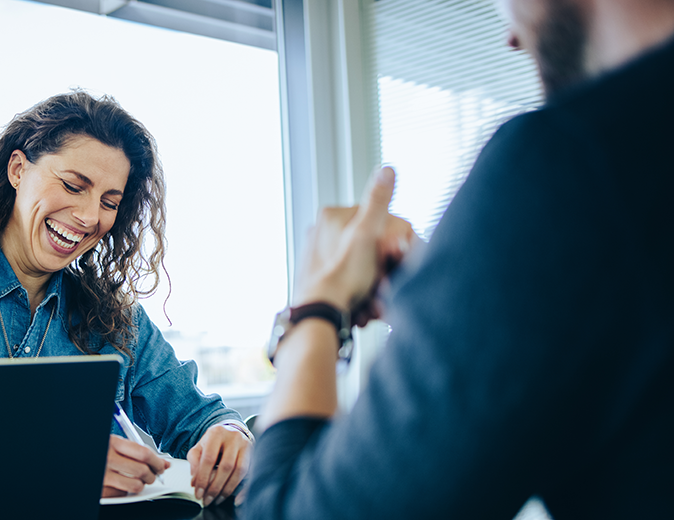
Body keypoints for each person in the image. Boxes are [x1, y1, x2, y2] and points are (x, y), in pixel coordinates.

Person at [243, 0, 674, 518]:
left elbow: (292, 511)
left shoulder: (567, 161)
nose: (509, 37)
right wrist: (461, 299)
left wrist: (314, 310)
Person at [0, 90, 252, 505]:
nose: (89, 217)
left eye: (109, 202)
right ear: (18, 169)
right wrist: (60, 462)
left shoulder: (115, 318)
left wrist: (228, 435)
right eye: (73, 185)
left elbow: (198, 416)